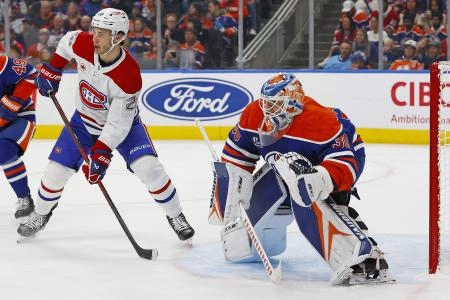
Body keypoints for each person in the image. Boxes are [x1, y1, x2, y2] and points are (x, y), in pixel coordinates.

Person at [17, 8, 195, 243]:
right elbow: (66, 42)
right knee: (54, 173)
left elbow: (118, 124)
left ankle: (176, 216)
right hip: (82, 122)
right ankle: (41, 214)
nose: (94, 38)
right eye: (94, 31)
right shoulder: (83, 43)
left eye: (101, 34)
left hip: (125, 129)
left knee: (150, 169)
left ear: (119, 37)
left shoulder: (129, 75)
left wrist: (101, 153)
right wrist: (54, 69)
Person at [208, 73, 395, 285]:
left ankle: (362, 254)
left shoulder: (321, 122)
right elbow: (237, 151)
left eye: (275, 104)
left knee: (316, 195)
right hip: (288, 164)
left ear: (292, 105)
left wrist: (320, 179)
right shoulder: (254, 114)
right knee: (284, 176)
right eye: (265, 102)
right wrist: (234, 180)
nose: (267, 109)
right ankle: (250, 239)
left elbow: (345, 164)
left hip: (346, 155)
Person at [0, 55, 38, 219]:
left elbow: (32, 73)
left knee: (4, 150)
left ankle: (24, 198)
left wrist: (14, 102)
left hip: (20, 116)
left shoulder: (2, 63)